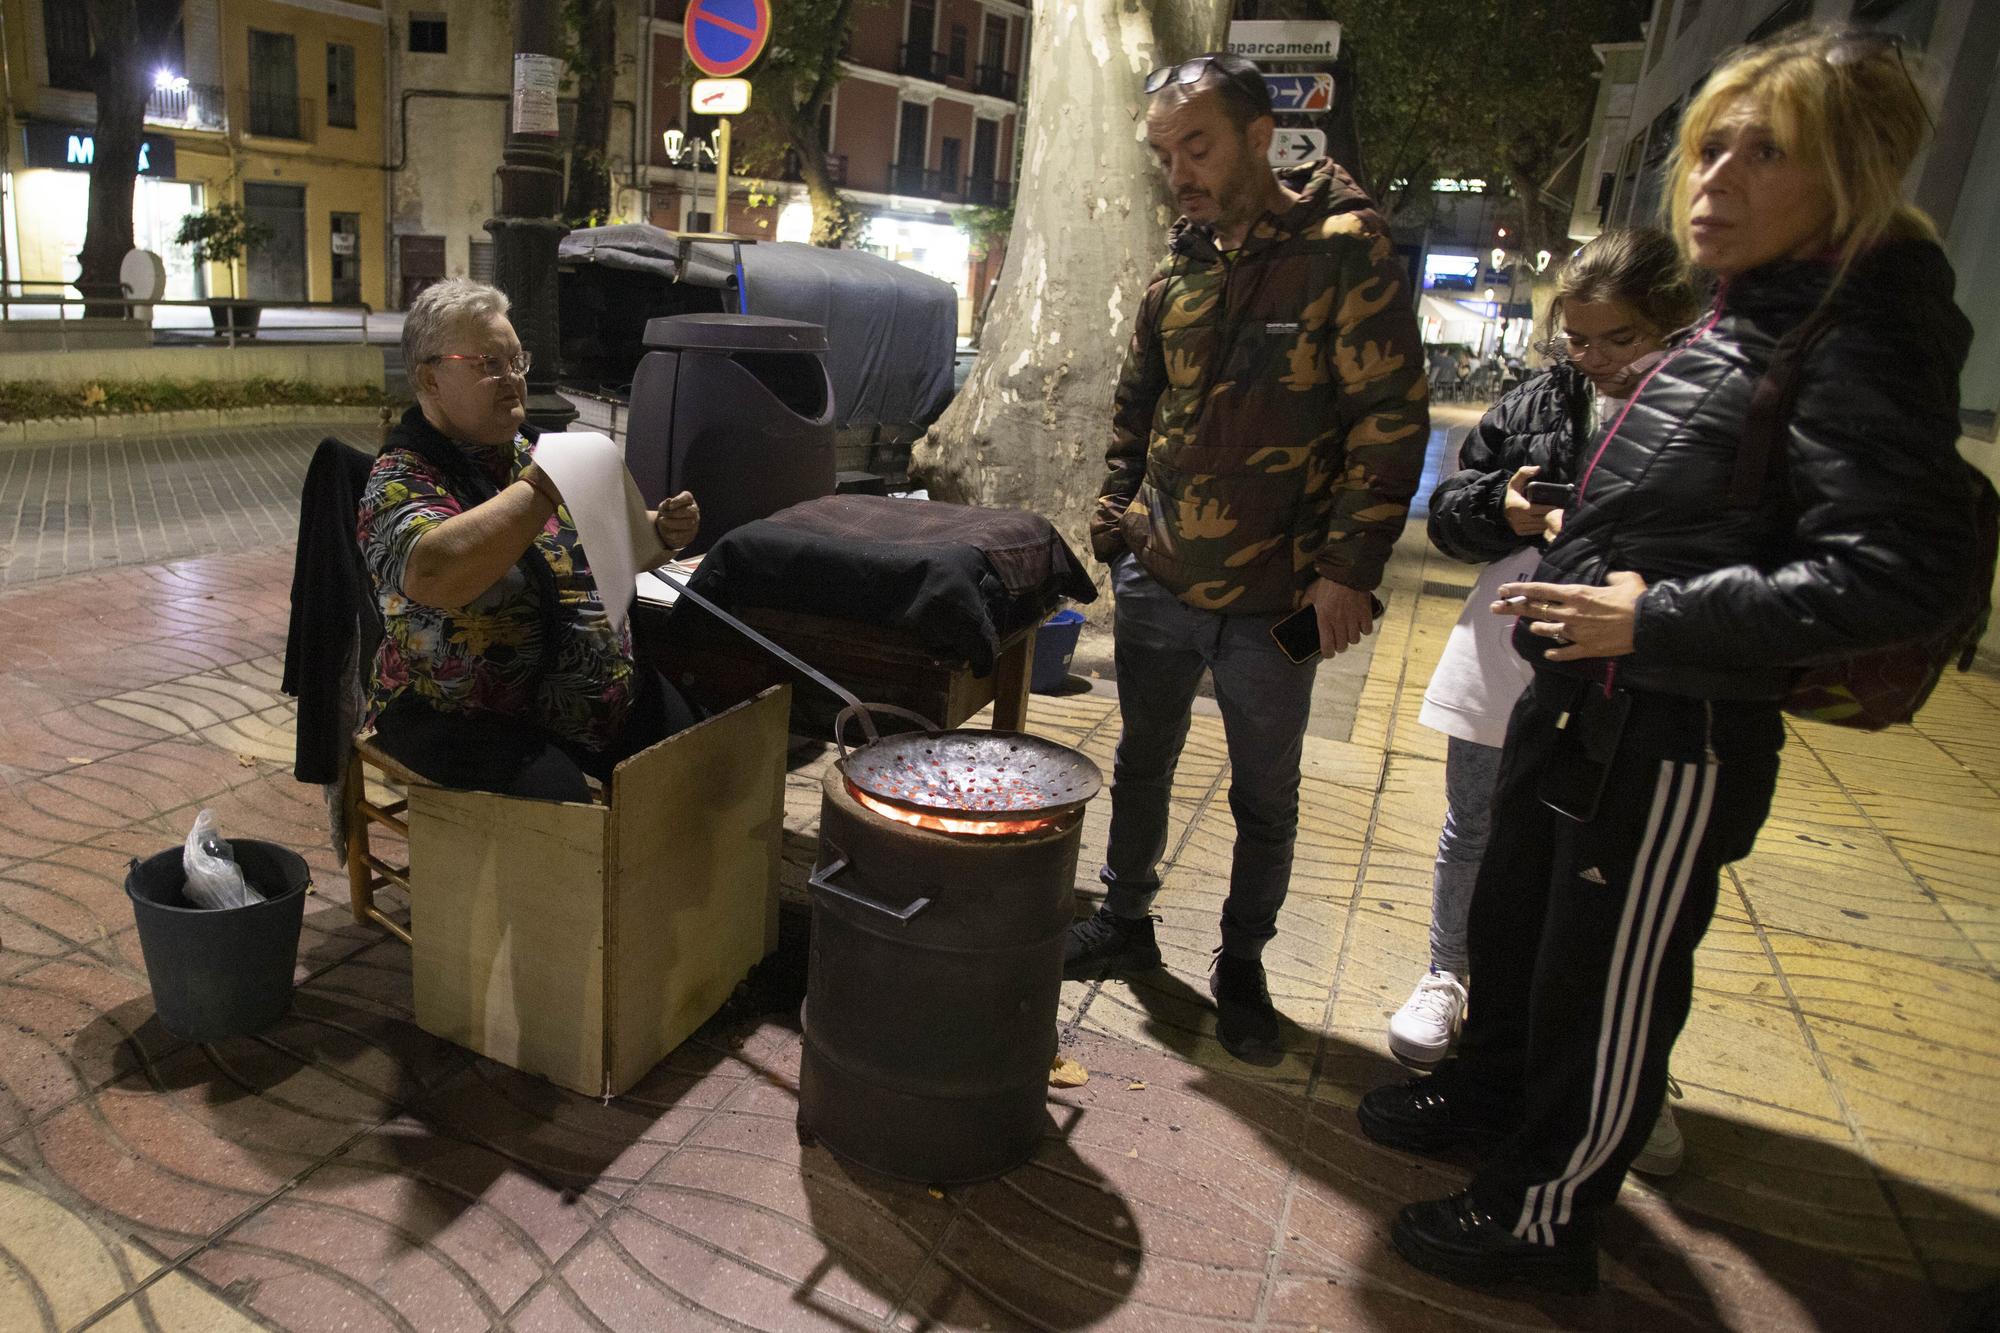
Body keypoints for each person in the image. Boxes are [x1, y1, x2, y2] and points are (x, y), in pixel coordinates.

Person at [1358, 27, 1977, 1294]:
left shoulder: (1853, 336)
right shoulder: (1741, 322)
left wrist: (1654, 619)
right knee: (1515, 928)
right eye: (1707, 148)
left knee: (1602, 982)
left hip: (1670, 729)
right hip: (1579, 706)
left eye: (1764, 153)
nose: (1712, 180)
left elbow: (1899, 572)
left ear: (1850, 173)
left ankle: (1543, 1215)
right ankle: (1482, 1107)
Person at [1071, 52, 1430, 1061]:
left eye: (1197, 146)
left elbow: (1386, 423)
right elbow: (1135, 406)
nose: (1178, 170)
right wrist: (1112, 521)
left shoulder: (1343, 251)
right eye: (1163, 153)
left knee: (1263, 796)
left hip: (1274, 596)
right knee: (1141, 763)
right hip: (1159, 577)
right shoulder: (1176, 266)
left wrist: (1348, 571)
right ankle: (1124, 922)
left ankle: (1240, 962)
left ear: (1258, 138)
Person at [1393, 229, 1700, 1184]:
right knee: (1482, 831)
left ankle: (1617, 1070)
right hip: (1513, 646)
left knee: (1609, 874)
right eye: (1578, 338)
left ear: (1676, 319)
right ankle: (1453, 981)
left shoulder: (1706, 404)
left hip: (1636, 669)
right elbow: (1449, 511)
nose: (1595, 358)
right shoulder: (1537, 400)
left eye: (1618, 339)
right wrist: (1510, 513)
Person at [358, 278, 703, 802]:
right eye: (487, 365)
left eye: (516, 362)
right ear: (430, 379)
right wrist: (544, 484)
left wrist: (659, 532)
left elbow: (611, 547)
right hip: (462, 712)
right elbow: (434, 571)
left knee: (694, 751)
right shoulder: (400, 476)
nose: (512, 380)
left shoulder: (529, 450)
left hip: (590, 698)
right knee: (561, 808)